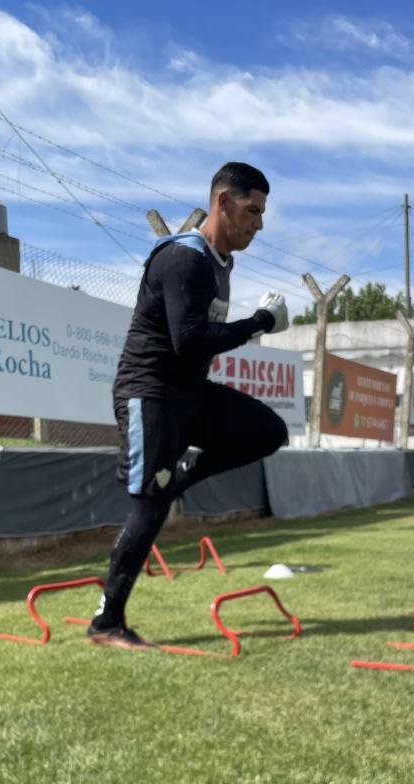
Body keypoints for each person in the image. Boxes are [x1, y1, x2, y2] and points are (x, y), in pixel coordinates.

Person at [88, 162, 291, 649]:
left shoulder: (223, 263)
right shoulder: (185, 258)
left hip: (188, 394)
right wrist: (259, 321)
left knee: (269, 431)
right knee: (151, 505)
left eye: (262, 214)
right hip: (150, 392)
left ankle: (186, 468)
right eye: (252, 211)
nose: (259, 224)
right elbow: (190, 340)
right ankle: (107, 622)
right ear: (223, 201)